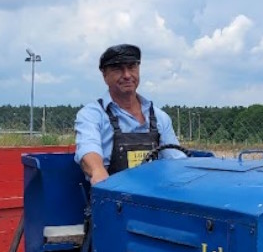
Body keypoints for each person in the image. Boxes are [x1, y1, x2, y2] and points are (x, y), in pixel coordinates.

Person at [74, 44, 184, 184]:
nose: (127, 75)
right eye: (118, 69)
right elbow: (88, 149)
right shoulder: (92, 116)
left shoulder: (160, 117)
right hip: (113, 199)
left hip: (154, 197)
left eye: (132, 67)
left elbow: (177, 161)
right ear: (105, 75)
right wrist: (98, 171)